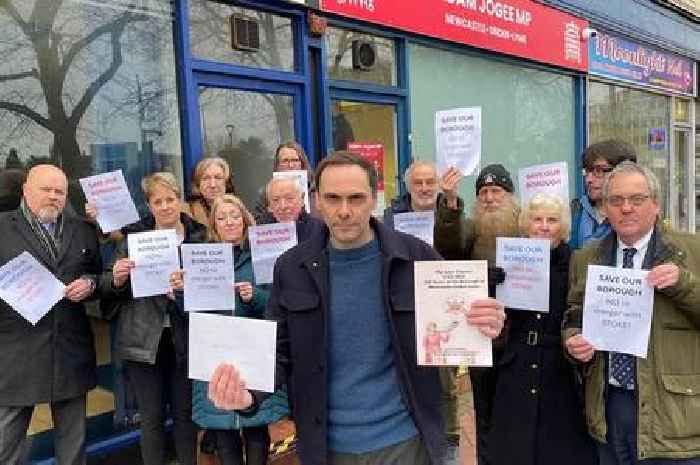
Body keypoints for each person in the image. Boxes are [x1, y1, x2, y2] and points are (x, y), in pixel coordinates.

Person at [206, 151, 507, 465]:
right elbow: (278, 351)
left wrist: (488, 326)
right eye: (333, 198)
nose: (344, 211)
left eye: (356, 198)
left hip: (406, 442)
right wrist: (247, 396)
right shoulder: (291, 268)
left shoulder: (417, 257)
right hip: (326, 446)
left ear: (374, 198)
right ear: (317, 201)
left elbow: (459, 328)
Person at [563, 161, 700, 465]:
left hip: (673, 414)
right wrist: (573, 339)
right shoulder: (586, 258)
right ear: (606, 208)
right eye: (616, 200)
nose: (626, 208)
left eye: (637, 200)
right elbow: (574, 313)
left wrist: (682, 283)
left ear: (655, 205)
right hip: (610, 409)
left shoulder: (692, 251)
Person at [170, 194, 290, 465]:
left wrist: (255, 296)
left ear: (245, 219)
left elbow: (282, 303)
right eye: (222, 218)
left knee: (257, 433)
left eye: (234, 216)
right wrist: (180, 293)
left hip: (253, 350)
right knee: (223, 434)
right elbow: (191, 314)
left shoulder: (264, 254)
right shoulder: (200, 258)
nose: (229, 222)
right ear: (214, 224)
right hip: (216, 351)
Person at [101, 172, 206, 465]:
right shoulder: (134, 240)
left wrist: (189, 290)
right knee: (152, 417)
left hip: (186, 339)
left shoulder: (199, 236)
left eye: (170, 199)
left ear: (180, 201)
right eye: (157, 201)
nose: (165, 206)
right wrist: (118, 278)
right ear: (149, 205)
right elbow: (107, 284)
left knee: (186, 415)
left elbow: (214, 288)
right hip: (144, 339)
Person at [0, 164, 101, 465]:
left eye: (60, 192)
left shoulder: (81, 229)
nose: (54, 197)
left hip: (71, 351)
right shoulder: (1, 227)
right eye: (46, 189)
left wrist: (90, 283)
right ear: (26, 190)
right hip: (16, 353)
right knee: (5, 447)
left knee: (73, 449)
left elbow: (96, 273)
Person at [488, 193, 596, 465]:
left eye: (552, 220)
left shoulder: (575, 263)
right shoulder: (510, 261)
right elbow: (495, 316)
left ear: (563, 227)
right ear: (526, 224)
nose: (544, 226)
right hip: (517, 362)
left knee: (559, 446)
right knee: (515, 446)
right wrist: (491, 286)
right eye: (537, 220)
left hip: (559, 366)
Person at [434, 163, 517, 465]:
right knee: (483, 412)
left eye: (496, 191)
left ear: (510, 196)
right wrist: (451, 202)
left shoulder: (525, 227)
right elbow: (448, 244)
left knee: (516, 413)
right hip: (481, 339)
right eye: (483, 192)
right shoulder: (470, 228)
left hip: (519, 339)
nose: (489, 198)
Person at [570, 139, 636, 249]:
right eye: (587, 171)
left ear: (624, 172)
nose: (588, 179)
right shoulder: (575, 210)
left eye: (599, 171)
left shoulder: (639, 215)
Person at [253, 141, 314, 222]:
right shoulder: (266, 193)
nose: (291, 165)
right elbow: (258, 222)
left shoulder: (315, 189)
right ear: (277, 165)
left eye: (295, 160)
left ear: (302, 163)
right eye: (285, 161)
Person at [258, 176, 324, 243]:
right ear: (269, 207)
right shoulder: (260, 234)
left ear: (301, 200)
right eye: (276, 200)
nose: (283, 206)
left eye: (289, 198)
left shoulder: (319, 230)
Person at [383, 160, 445, 230]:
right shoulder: (393, 216)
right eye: (418, 183)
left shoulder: (450, 212)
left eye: (430, 182)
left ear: (438, 186)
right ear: (408, 187)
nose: (424, 189)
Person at [185, 157, 237, 225]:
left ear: (226, 183)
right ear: (198, 184)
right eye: (206, 178)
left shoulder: (239, 210)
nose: (212, 185)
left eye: (218, 178)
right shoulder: (185, 212)